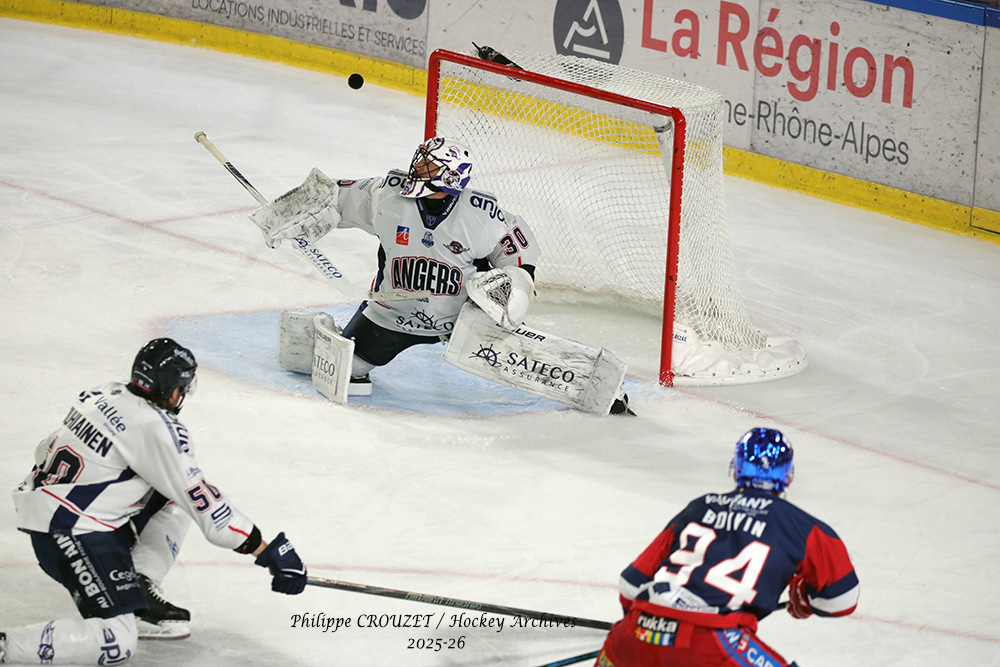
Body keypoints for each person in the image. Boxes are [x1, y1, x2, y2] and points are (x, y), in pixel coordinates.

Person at [251, 137, 634, 415]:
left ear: (450, 181)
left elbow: (519, 254)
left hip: (463, 318)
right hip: (391, 314)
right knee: (346, 370)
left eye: (430, 169)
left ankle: (599, 390)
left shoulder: (481, 214)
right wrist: (286, 214)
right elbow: (333, 196)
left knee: (537, 365)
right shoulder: (387, 195)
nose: (419, 171)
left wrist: (512, 293)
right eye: (421, 162)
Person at [1, 339, 307, 665]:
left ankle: (138, 582)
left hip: (55, 512)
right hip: (70, 534)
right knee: (116, 642)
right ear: (172, 389)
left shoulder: (104, 392)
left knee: (172, 498)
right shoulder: (155, 427)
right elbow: (205, 505)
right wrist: (267, 550)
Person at [596, 428, 859, 667]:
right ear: (788, 477)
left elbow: (630, 586)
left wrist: (649, 634)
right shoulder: (803, 527)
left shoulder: (698, 507)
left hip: (632, 634)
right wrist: (804, 596)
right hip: (711, 642)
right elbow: (840, 600)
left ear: (736, 470)